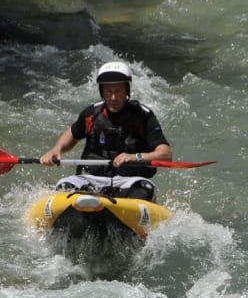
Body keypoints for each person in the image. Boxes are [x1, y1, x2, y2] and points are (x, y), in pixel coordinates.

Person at [39, 61, 172, 202]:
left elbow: (166, 154)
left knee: (146, 189)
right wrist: (57, 149)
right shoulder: (91, 114)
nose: (113, 98)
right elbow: (71, 134)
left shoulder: (144, 116)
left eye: (118, 91)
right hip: (93, 179)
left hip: (129, 182)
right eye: (108, 92)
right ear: (102, 92)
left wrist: (135, 157)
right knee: (63, 185)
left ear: (127, 90)